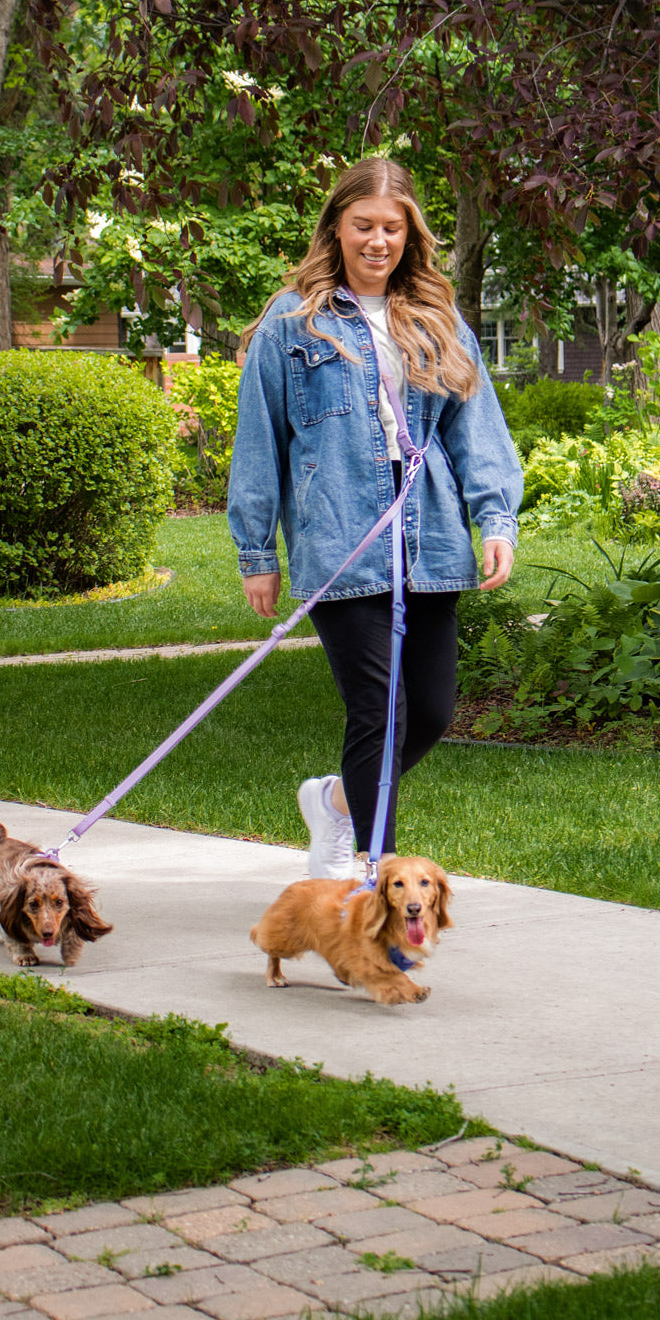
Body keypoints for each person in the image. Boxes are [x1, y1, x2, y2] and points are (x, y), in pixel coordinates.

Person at [227, 158, 523, 878]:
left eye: (392, 228)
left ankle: (334, 803)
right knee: (378, 711)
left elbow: (476, 427)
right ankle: (373, 879)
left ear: (409, 234)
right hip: (342, 538)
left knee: (430, 711)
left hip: (430, 538)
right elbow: (260, 440)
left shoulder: (437, 319)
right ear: (336, 227)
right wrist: (257, 552)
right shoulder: (290, 323)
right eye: (364, 226)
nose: (378, 241)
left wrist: (496, 520)